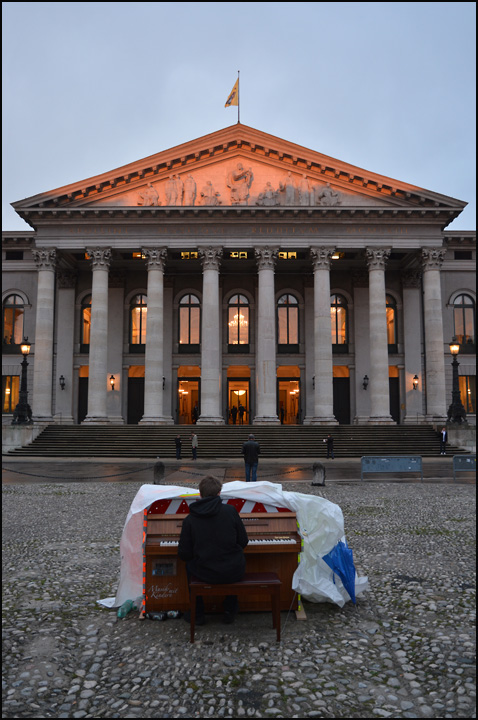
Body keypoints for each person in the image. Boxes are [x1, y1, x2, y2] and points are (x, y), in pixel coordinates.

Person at [178, 475, 248, 624]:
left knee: (189, 565)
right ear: (219, 493)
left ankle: (197, 613)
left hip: (204, 572)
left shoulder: (190, 519)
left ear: (200, 494)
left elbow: (184, 554)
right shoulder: (231, 511)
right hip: (232, 570)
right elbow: (243, 541)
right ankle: (230, 609)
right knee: (235, 561)